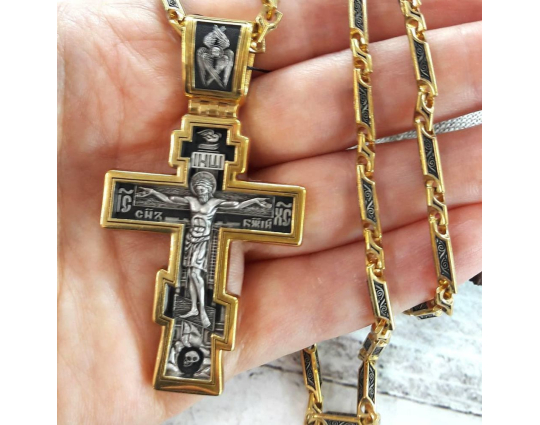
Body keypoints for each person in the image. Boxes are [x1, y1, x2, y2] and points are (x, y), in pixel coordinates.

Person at [57, 1, 482, 423]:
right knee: (194, 282)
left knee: (200, 285)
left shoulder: (220, 202)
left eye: (206, 187)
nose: (203, 189)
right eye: (199, 187)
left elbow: (257, 207)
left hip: (203, 249)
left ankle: (195, 328)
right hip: (191, 256)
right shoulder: (186, 198)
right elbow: (138, 198)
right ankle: (189, 338)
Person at [138, 171, 271, 328]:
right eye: (198, 189)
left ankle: (202, 311)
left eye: (203, 189)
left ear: (209, 189)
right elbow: (169, 199)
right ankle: (194, 308)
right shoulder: (191, 200)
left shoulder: (215, 202)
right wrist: (152, 192)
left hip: (203, 242)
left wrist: (255, 200)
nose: (200, 192)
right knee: (190, 275)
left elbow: (237, 205)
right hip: (191, 240)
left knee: (196, 274)